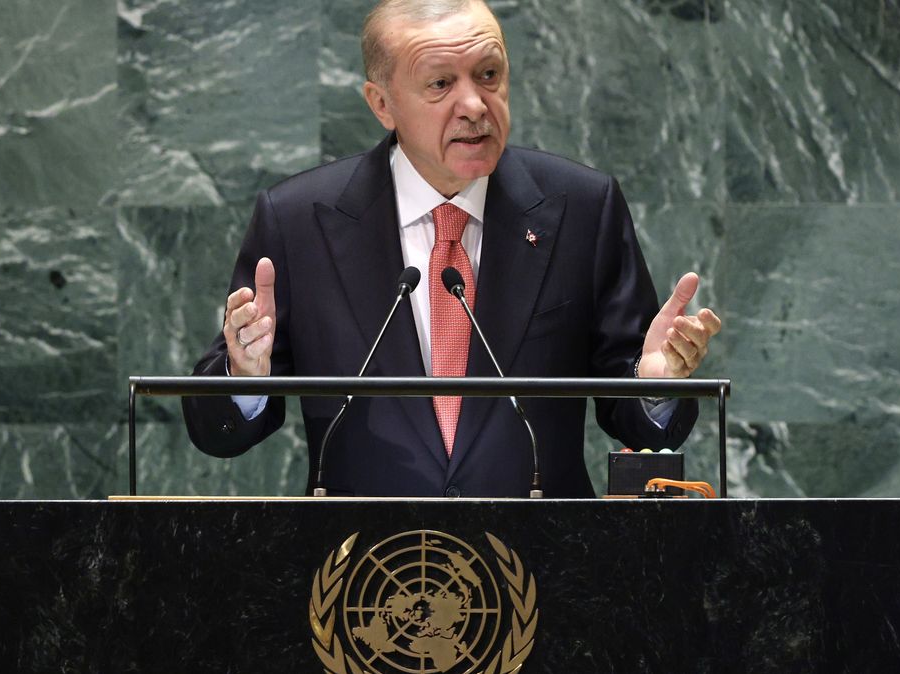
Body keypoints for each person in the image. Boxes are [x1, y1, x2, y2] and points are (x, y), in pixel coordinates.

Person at [181, 0, 722, 497]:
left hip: (545, 565)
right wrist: (245, 377)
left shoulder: (582, 207)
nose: (474, 105)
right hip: (362, 576)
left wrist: (653, 385)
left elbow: (633, 416)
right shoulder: (299, 220)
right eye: (440, 83)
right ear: (382, 103)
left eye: (489, 75)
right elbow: (218, 434)